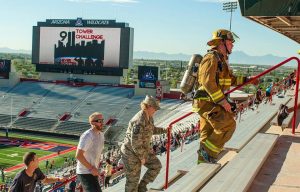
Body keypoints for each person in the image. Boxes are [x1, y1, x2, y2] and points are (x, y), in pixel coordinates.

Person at [192, 29, 239, 164]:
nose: (232, 45)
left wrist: (249, 79)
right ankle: (208, 154)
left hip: (210, 103)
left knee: (206, 135)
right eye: (230, 42)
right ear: (221, 43)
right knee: (228, 125)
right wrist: (223, 102)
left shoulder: (221, 61)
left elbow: (230, 80)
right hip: (206, 103)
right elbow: (208, 82)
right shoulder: (211, 58)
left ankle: (203, 164)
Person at [120, 95, 167, 192]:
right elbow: (135, 141)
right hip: (131, 153)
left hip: (142, 150)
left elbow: (151, 129)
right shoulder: (139, 119)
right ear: (148, 106)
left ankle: (142, 187)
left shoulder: (149, 117)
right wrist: (142, 157)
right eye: (155, 108)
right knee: (132, 182)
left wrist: (165, 130)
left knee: (156, 166)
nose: (156, 110)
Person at [76, 112, 105, 192]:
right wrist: (91, 168)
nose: (102, 123)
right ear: (92, 122)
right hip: (85, 172)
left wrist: (96, 168)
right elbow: (78, 155)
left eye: (102, 120)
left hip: (93, 171)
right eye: (100, 121)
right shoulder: (87, 136)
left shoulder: (101, 135)